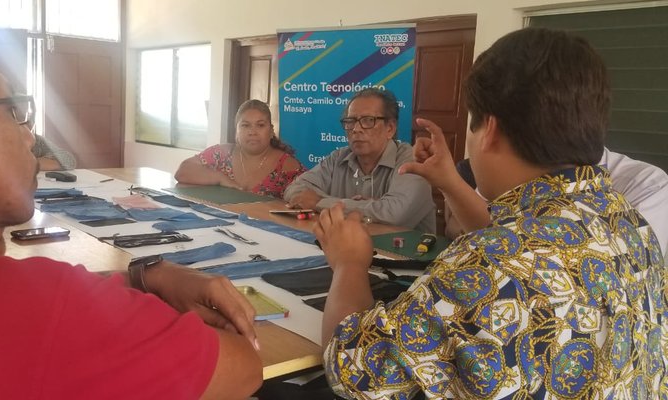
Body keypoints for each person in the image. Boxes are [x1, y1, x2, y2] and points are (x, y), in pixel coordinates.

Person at [0, 14, 261, 399]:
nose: (27, 136)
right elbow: (241, 368)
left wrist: (144, 277)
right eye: (12, 111)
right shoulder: (37, 309)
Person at [314, 27, 665, 399]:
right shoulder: (629, 222)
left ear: (490, 131)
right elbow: (530, 254)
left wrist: (350, 264)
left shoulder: (485, 264)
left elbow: (351, 371)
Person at [445, 150, 668, 255]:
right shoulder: (509, 172)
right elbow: (487, 232)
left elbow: (616, 268)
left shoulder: (649, 186)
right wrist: (447, 181)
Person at [283, 88, 435, 232]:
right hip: (349, 252)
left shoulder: (412, 160)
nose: (356, 129)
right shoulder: (338, 157)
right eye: (350, 121)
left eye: (368, 121)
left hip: (405, 256)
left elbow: (395, 214)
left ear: (390, 129)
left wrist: (320, 203)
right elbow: (294, 190)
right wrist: (364, 207)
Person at [174, 99, 305, 198]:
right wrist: (220, 178)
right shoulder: (221, 154)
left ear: (271, 131)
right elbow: (182, 172)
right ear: (236, 131)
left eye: (260, 125)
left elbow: (309, 199)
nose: (252, 132)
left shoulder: (287, 165)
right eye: (245, 125)